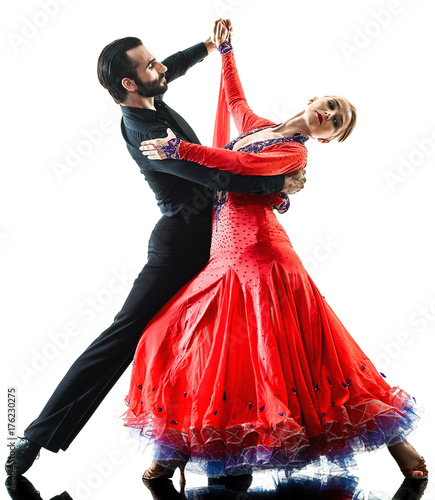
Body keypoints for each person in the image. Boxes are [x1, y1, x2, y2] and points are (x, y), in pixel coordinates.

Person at [121, 21, 428, 484]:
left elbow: (238, 164)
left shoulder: (296, 155)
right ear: (312, 100)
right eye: (330, 104)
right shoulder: (261, 126)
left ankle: (400, 447)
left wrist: (179, 148)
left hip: (263, 256)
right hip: (225, 255)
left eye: (337, 120)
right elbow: (235, 101)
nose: (329, 113)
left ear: (327, 138)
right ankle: (176, 451)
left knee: (313, 354)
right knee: (187, 340)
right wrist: (225, 52)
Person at [5, 20, 307, 477]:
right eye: (149, 64)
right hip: (181, 247)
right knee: (121, 338)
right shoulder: (145, 130)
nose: (160, 66)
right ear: (129, 84)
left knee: (225, 341)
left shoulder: (151, 97)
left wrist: (208, 47)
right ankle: (34, 438)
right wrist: (277, 181)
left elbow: (172, 69)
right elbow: (213, 177)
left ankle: (225, 451)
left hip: (222, 241)